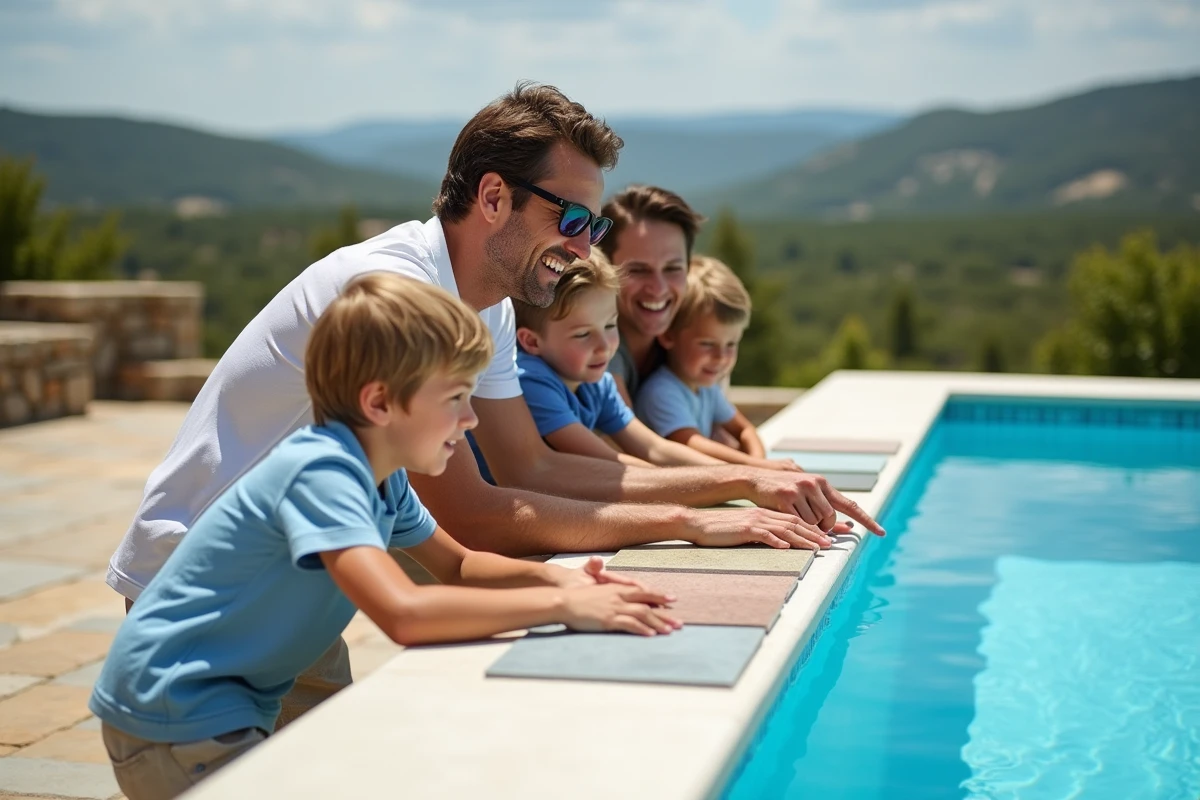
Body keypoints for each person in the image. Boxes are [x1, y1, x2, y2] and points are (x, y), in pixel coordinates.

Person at [109, 82, 882, 724]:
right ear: (491, 196)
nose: (586, 246)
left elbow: (533, 463)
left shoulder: (491, 305)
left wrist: (737, 485)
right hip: (207, 594)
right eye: (571, 219)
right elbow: (475, 515)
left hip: (299, 574)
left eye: (595, 224)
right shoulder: (402, 296)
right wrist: (695, 519)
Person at [90, 274, 680, 800]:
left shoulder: (383, 479)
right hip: (178, 717)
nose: (472, 420)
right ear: (379, 402)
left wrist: (566, 578)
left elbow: (460, 567)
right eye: (455, 399)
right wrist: (562, 606)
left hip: (214, 711)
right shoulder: (321, 474)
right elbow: (404, 613)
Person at [511, 250, 800, 479]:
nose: (605, 346)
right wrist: (735, 479)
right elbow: (607, 460)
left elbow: (654, 448)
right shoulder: (532, 381)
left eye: (611, 325)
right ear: (532, 342)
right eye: (583, 334)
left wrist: (751, 474)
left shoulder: (599, 384)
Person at [636, 256, 788, 468]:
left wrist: (758, 464)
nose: (721, 356)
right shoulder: (661, 392)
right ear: (669, 335)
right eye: (707, 344)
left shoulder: (707, 388)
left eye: (731, 344)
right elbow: (691, 443)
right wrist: (757, 468)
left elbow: (745, 430)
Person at [598, 185, 698, 408]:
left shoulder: (696, 336)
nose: (658, 288)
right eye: (638, 270)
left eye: (673, 269)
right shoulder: (594, 347)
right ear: (603, 268)